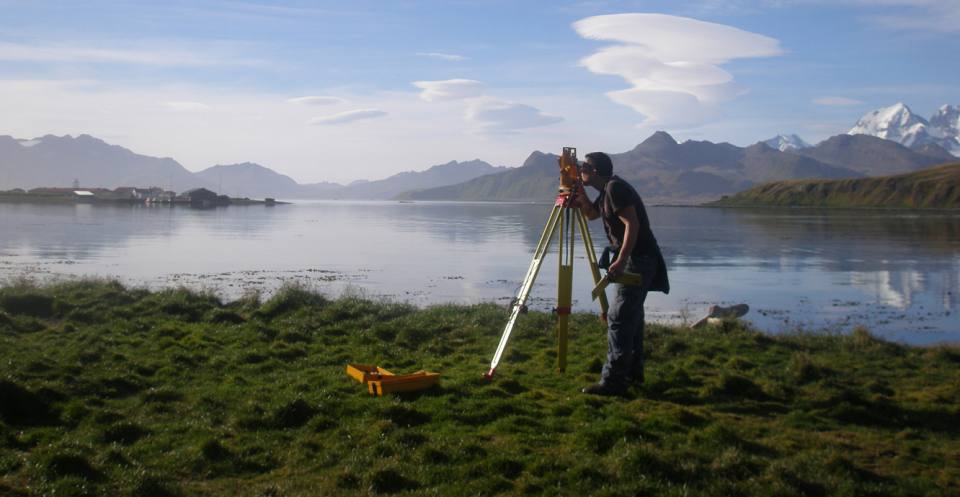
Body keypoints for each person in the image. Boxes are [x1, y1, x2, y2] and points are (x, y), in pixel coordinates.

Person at [576, 151, 669, 396]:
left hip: (638, 259)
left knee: (619, 317)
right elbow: (591, 214)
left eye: (583, 167)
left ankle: (614, 382)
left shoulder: (615, 188)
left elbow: (632, 224)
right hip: (636, 258)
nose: (580, 170)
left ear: (594, 171)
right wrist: (577, 187)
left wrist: (622, 258)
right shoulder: (606, 189)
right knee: (632, 317)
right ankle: (633, 374)